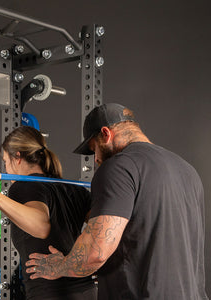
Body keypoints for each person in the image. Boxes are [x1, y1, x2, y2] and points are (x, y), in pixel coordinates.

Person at [25, 103, 208, 299]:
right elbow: (154, 239)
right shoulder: (186, 170)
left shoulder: (118, 167)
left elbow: (95, 253)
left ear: (106, 134)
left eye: (94, 149)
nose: (95, 159)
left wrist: (59, 266)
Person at [0, 126, 97, 300]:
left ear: (17, 157)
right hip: (88, 292)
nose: (6, 170)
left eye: (6, 161)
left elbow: (41, 226)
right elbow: (109, 232)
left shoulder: (22, 187)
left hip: (51, 294)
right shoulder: (73, 189)